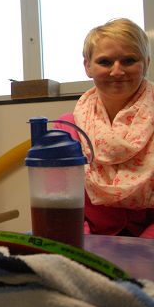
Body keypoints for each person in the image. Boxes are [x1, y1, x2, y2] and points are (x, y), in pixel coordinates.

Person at [55, 18, 154, 238]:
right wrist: (88, 245)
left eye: (129, 60)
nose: (117, 71)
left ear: (146, 63)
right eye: (105, 62)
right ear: (87, 67)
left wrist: (142, 248)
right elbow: (62, 204)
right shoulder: (68, 129)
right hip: (88, 245)